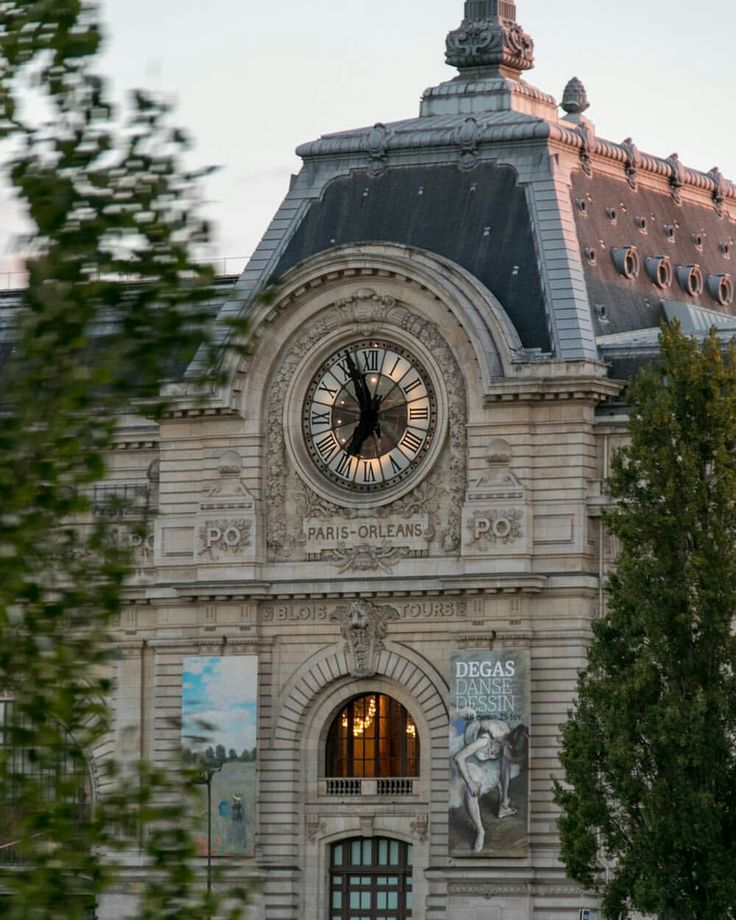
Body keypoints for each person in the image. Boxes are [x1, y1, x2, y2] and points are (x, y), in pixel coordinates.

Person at [453, 718, 528, 852]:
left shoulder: (509, 740)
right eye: (513, 758)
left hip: (486, 751)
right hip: (466, 744)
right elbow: (459, 757)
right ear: (508, 746)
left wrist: (504, 802)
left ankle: (503, 808)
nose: (514, 761)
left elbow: (504, 773)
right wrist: (470, 782)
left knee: (502, 774)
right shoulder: (485, 740)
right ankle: (480, 830)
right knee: (472, 790)